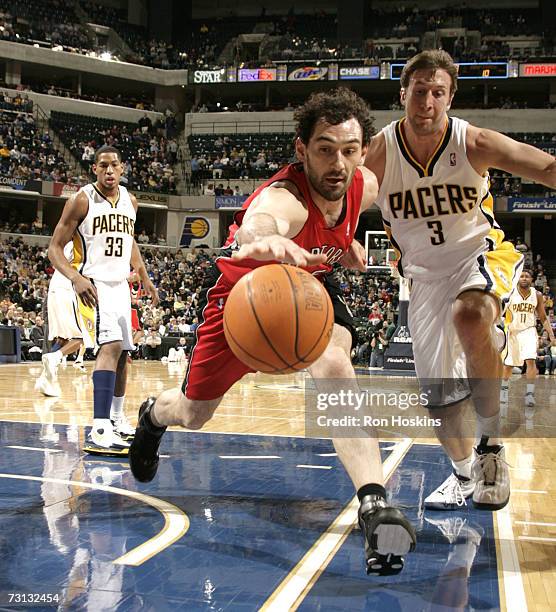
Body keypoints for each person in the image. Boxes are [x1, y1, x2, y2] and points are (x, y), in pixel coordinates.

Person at [129, 88, 416, 576]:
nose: (338, 163)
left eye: (349, 149)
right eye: (325, 149)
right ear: (302, 150)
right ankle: (153, 416)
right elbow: (259, 221)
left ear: (363, 151)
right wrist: (265, 239)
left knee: (335, 363)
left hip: (308, 296)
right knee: (194, 414)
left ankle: (373, 504)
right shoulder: (288, 199)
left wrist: (349, 248)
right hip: (244, 306)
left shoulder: (364, 185)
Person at [365, 49, 556, 511]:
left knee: (470, 315)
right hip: (423, 278)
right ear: (403, 94)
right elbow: (338, 200)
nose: (427, 101)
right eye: (419, 91)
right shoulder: (378, 153)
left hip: (479, 254)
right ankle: (465, 473)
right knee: (440, 401)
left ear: (450, 99)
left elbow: (547, 168)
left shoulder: (474, 142)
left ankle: (491, 451)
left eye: (438, 92)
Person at [47, 145, 158, 455]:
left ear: (122, 169)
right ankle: (98, 429)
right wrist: (76, 278)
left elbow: (130, 241)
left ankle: (116, 418)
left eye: (114, 166)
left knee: (123, 353)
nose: (109, 171)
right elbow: (54, 248)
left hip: (120, 283)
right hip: (92, 284)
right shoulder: (81, 200)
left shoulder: (131, 201)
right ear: (94, 169)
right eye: (103, 165)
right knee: (108, 348)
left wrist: (144, 276)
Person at [36, 242, 95, 397]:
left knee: (62, 338)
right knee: (83, 336)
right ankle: (55, 357)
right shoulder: (86, 242)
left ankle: (45, 379)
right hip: (70, 289)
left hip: (54, 289)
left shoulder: (67, 242)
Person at [501, 269, 556, 407]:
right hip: (513, 331)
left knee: (531, 361)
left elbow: (543, 317)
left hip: (529, 331)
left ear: (531, 279)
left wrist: (551, 334)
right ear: (517, 278)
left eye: (527, 276)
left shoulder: (537, 295)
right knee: (508, 365)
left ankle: (530, 394)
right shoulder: (510, 292)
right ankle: (504, 389)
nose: (524, 278)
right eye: (521, 276)